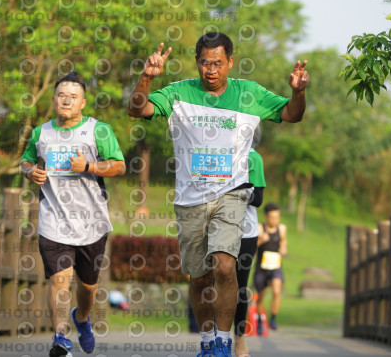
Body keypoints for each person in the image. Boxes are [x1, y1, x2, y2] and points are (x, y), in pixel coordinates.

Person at [127, 32, 309, 357]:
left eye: (218, 63)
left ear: (231, 63)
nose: (211, 70)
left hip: (231, 194)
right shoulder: (179, 93)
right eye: (205, 63)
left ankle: (224, 342)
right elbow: (137, 109)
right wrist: (146, 78)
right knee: (199, 278)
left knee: (225, 267)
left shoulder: (249, 93)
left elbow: (292, 114)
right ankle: (208, 341)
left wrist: (298, 92)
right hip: (190, 199)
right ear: (197, 63)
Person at [21, 71, 126, 357]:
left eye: (73, 97)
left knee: (88, 287)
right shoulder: (41, 132)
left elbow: (119, 166)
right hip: (53, 219)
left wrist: (89, 167)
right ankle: (60, 338)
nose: (66, 100)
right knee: (59, 279)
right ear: (54, 99)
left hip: (91, 223)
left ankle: (81, 318)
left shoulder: (98, 131)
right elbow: (27, 159)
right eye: (61, 96)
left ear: (83, 103)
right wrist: (31, 171)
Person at [233, 131, 265, 357]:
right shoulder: (221, 155)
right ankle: (217, 337)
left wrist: (233, 192)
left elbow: (259, 199)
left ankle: (239, 339)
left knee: (240, 287)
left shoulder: (253, 158)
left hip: (246, 232)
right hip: (217, 228)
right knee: (218, 282)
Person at [254, 202, 288, 335]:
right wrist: (261, 240)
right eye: (272, 217)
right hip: (262, 267)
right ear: (266, 217)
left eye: (277, 217)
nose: (275, 220)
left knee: (276, 290)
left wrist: (284, 249)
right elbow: (252, 248)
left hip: (276, 265)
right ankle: (260, 321)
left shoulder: (282, 228)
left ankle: (273, 319)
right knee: (261, 296)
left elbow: (284, 243)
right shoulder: (260, 228)